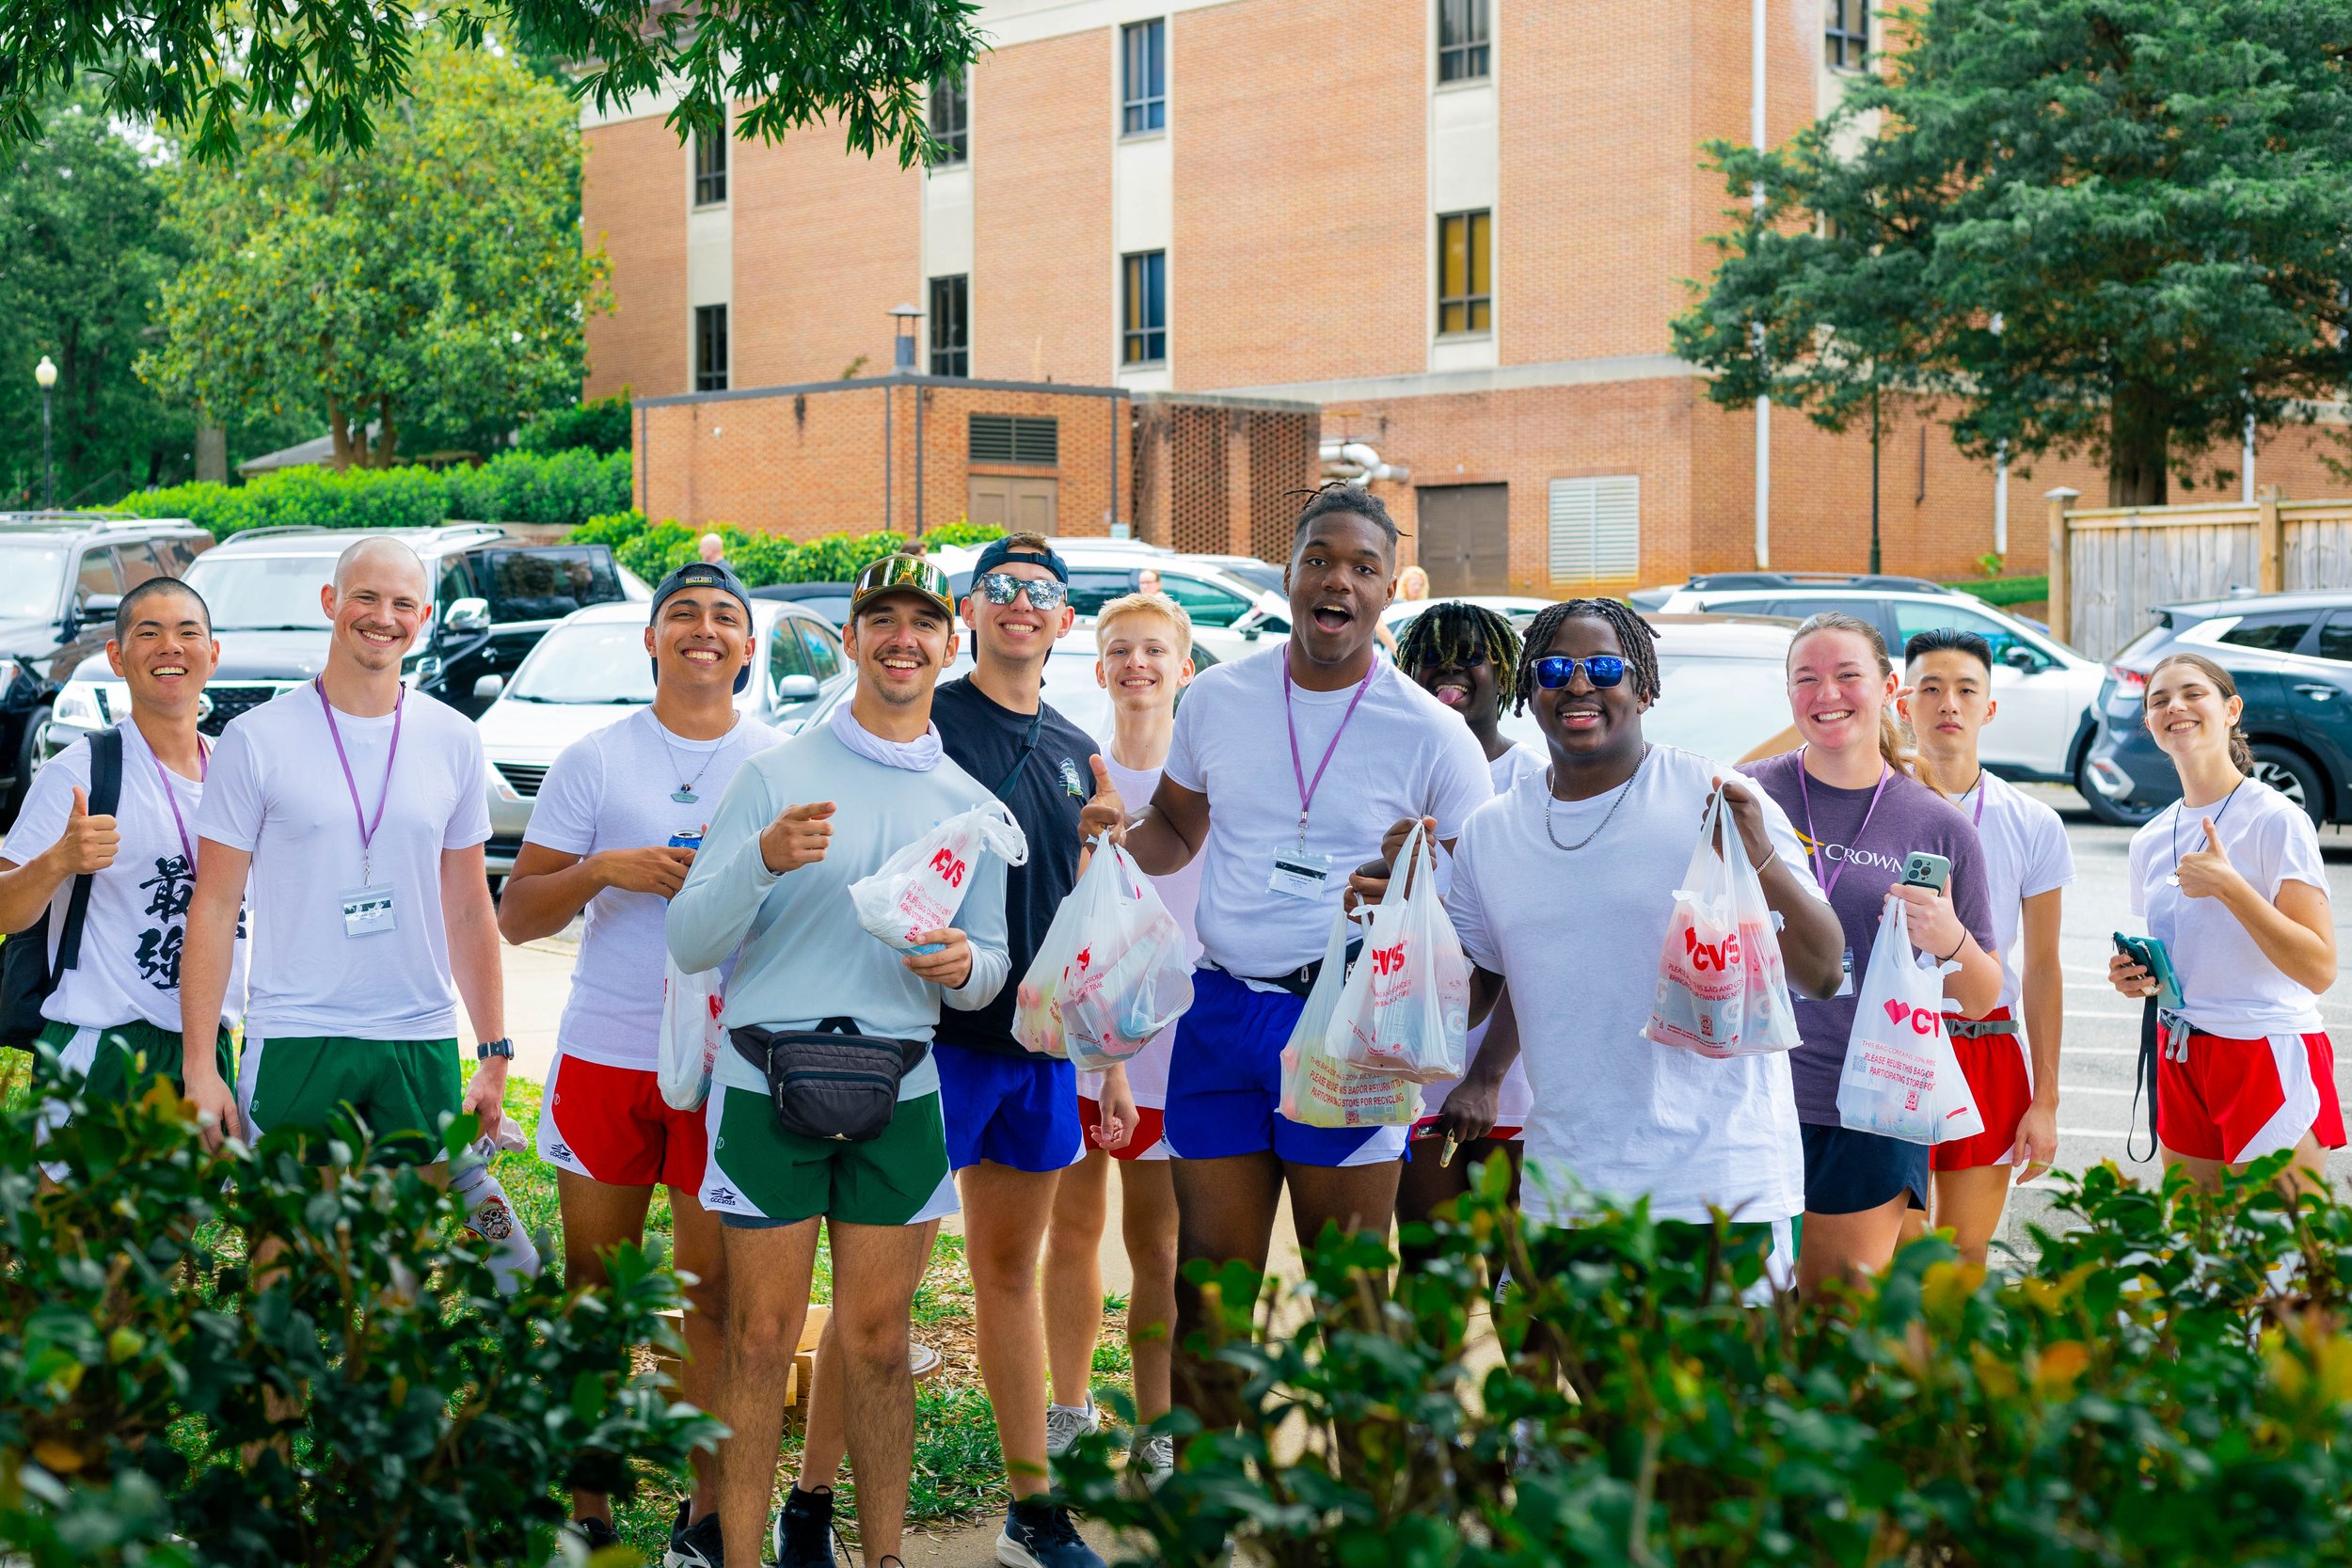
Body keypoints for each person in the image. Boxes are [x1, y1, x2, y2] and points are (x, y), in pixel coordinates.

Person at [1120, 484, 1491, 1429]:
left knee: (1352, 1303)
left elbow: (1487, 913)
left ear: (1388, 589)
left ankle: (1359, 1523)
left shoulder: (1432, 734)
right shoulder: (1217, 696)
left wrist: (1413, 890)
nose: (1338, 580)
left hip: (1350, 1024)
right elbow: (1173, 824)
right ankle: (1207, 1521)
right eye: (1320, 558)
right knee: (1209, 1295)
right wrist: (1110, 839)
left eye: (1363, 566)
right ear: (1287, 572)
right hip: (1222, 1016)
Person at [667, 552, 1009, 1568]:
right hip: (767, 1082)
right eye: (881, 618)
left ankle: (885, 1556)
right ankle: (735, 1555)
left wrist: (962, 964)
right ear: (850, 639)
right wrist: (762, 858)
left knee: (877, 1342)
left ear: (952, 645)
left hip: (899, 1089)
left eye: (923, 621)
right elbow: (688, 939)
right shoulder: (777, 774)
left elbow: (988, 970)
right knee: (759, 1337)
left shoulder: (965, 801)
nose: (902, 636)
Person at [790, 531, 1125, 1568]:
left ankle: (1034, 1510)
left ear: (1066, 619)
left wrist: (1103, 1058)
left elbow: (1092, 918)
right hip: (930, 1046)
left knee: (1009, 1274)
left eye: (1042, 589)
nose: (1020, 601)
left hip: (1037, 1050)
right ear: (967, 614)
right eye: (998, 587)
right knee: (876, 1295)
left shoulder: (1081, 749)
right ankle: (808, 1502)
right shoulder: (925, 716)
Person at [1351, 601, 1846, 1286]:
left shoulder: (1714, 797)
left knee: (1717, 1397)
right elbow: (1462, 1004)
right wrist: (1407, 916)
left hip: (1720, 1186)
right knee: (1599, 1397)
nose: (1578, 684)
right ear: (1529, 690)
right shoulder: (1494, 831)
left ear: (1643, 687)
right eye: (1554, 668)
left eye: (1604, 667)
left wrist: (1759, 855)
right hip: (1569, 1188)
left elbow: (1823, 972)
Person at [495, 562, 777, 1560]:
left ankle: (705, 1511)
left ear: (750, 647)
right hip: (608, 1052)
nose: (703, 629)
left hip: (728, 1062)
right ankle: (587, 1505)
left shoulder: (778, 760)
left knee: (716, 1293)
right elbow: (517, 917)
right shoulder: (596, 759)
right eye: (683, 614)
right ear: (650, 639)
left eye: (725, 618)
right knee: (591, 1287)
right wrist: (603, 868)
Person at [181, 536, 512, 1173]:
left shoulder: (455, 739)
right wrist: (200, 1063)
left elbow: (470, 906)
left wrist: (494, 1050)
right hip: (297, 1029)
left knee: (405, 1261)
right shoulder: (256, 739)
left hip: (419, 1031)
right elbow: (215, 905)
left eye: (402, 603)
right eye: (365, 596)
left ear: (424, 616)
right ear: (331, 600)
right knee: (287, 1253)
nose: (383, 617)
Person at [1740, 611, 2000, 1295]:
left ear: (1889, 687)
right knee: (1746, 1321)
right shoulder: (1744, 794)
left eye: (1847, 675)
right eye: (1807, 678)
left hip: (1871, 1106)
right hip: (1747, 1097)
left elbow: (1982, 995)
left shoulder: (1938, 825)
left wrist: (1950, 939)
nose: (1827, 693)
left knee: (1836, 1312)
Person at [0, 578, 244, 1181]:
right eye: (148, 633)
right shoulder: (80, 770)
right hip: (97, 1043)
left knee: (166, 1251)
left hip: (204, 1047)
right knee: (77, 1252)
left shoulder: (240, 778)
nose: (171, 647)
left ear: (213, 654)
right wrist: (57, 861)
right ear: (116, 657)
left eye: (188, 633)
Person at [1039, 592, 1199, 1483]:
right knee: (1070, 1227)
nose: (1137, 665)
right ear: (1099, 669)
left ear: (1184, 667)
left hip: (1172, 1046)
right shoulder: (1075, 770)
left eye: (1154, 651)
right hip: (1080, 1038)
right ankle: (1067, 1406)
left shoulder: (1202, 783)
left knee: (1160, 1244)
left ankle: (1158, 1423)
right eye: (1120, 652)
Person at [2109, 652, 2342, 1190]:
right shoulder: (2149, 838)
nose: (2176, 707)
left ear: (2231, 709)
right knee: (2198, 1253)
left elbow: (2320, 967)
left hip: (2264, 1049)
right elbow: (2182, 957)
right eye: (2159, 700)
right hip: (2182, 1049)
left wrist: (2232, 888)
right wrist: (2135, 977)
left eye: (2193, 693)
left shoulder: (2276, 819)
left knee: (2278, 1259)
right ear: (2149, 724)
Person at [1896, 630, 2073, 1266]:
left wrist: (2045, 1100)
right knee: (1897, 1251)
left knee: (1965, 1256)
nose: (1950, 703)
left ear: (1989, 707)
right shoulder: (1873, 805)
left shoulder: (2033, 821)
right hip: (1895, 1043)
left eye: (1967, 689)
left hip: (1987, 1043)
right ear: (1902, 700)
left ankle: (1949, 1369)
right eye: (1932, 688)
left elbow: (2045, 966)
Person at [1388, 601, 1544, 1262]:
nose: (1449, 669)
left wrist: (1484, 1075)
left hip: (1508, 1076)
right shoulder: (1396, 774)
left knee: (1523, 1281)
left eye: (1472, 656)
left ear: (1504, 675)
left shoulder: (1532, 781)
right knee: (1432, 1271)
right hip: (1415, 1072)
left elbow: (1537, 945)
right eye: (1432, 656)